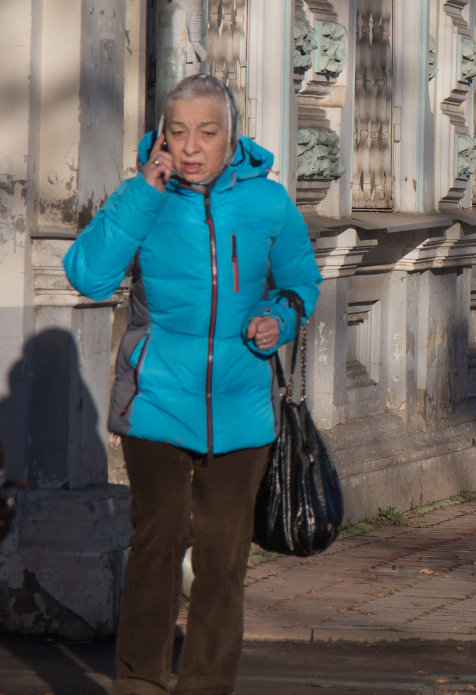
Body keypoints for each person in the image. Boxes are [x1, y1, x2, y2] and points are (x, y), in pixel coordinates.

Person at [64, 74, 322, 694]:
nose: (191, 146)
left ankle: (206, 686)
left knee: (223, 556)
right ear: (161, 137)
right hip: (155, 402)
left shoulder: (268, 203)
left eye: (206, 132)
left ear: (231, 136)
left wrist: (278, 318)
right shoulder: (145, 199)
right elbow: (90, 277)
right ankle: (140, 683)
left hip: (241, 409)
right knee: (158, 540)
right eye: (177, 132)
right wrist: (141, 194)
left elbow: (300, 283)